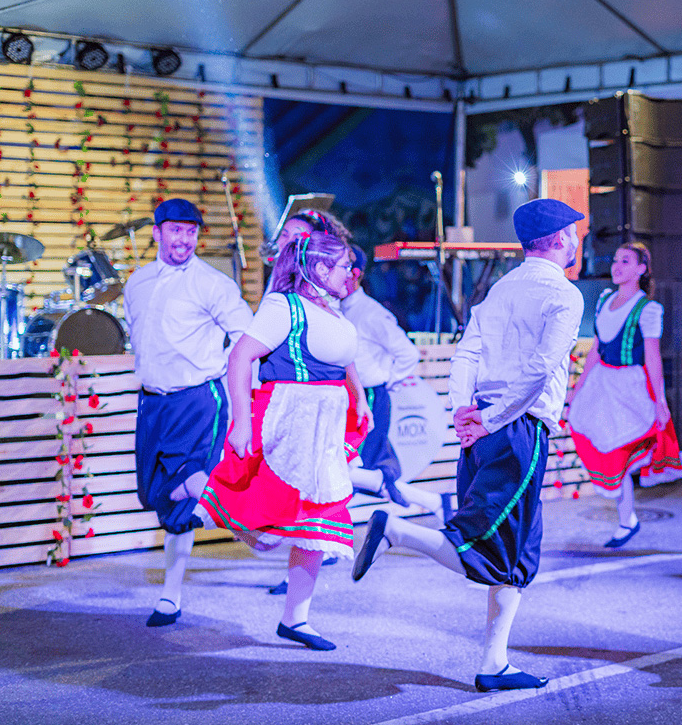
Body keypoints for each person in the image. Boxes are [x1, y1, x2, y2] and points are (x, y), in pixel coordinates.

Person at [351, 198, 585, 692]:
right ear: (560, 239)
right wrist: (491, 419)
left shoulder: (502, 288)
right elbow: (540, 368)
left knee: (516, 552)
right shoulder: (564, 295)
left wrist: (465, 410)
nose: (576, 241)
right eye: (574, 233)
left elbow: (467, 353)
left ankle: (494, 663)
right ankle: (398, 531)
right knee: (483, 541)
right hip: (517, 429)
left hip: (484, 424)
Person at [177, 231, 372, 650]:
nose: (350, 273)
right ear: (319, 269)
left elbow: (345, 358)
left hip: (325, 425)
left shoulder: (333, 309)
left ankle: (296, 619)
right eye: (343, 266)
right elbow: (239, 357)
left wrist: (359, 397)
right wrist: (240, 421)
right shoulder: (284, 306)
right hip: (289, 419)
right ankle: (199, 486)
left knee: (319, 525)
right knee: (267, 533)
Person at [123, 198, 253, 627]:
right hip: (152, 403)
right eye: (175, 230)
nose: (183, 239)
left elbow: (246, 337)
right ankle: (227, 503)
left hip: (198, 400)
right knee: (155, 495)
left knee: (186, 489)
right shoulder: (137, 282)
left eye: (191, 231)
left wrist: (244, 401)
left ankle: (171, 596)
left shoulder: (213, 284)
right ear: (157, 233)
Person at [569, 242, 682, 548]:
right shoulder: (604, 300)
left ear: (641, 269)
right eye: (615, 260)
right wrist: (578, 388)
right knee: (606, 447)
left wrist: (660, 400)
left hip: (629, 386)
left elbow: (652, 357)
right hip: (602, 383)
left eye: (626, 261)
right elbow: (596, 349)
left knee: (620, 451)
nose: (617, 266)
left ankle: (628, 520)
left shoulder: (648, 309)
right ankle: (629, 519)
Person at [342, 244, 450, 518]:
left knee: (353, 465)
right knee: (360, 466)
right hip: (348, 395)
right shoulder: (339, 308)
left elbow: (408, 353)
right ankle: (433, 501)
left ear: (355, 273)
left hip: (369, 396)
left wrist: (387, 381)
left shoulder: (371, 313)